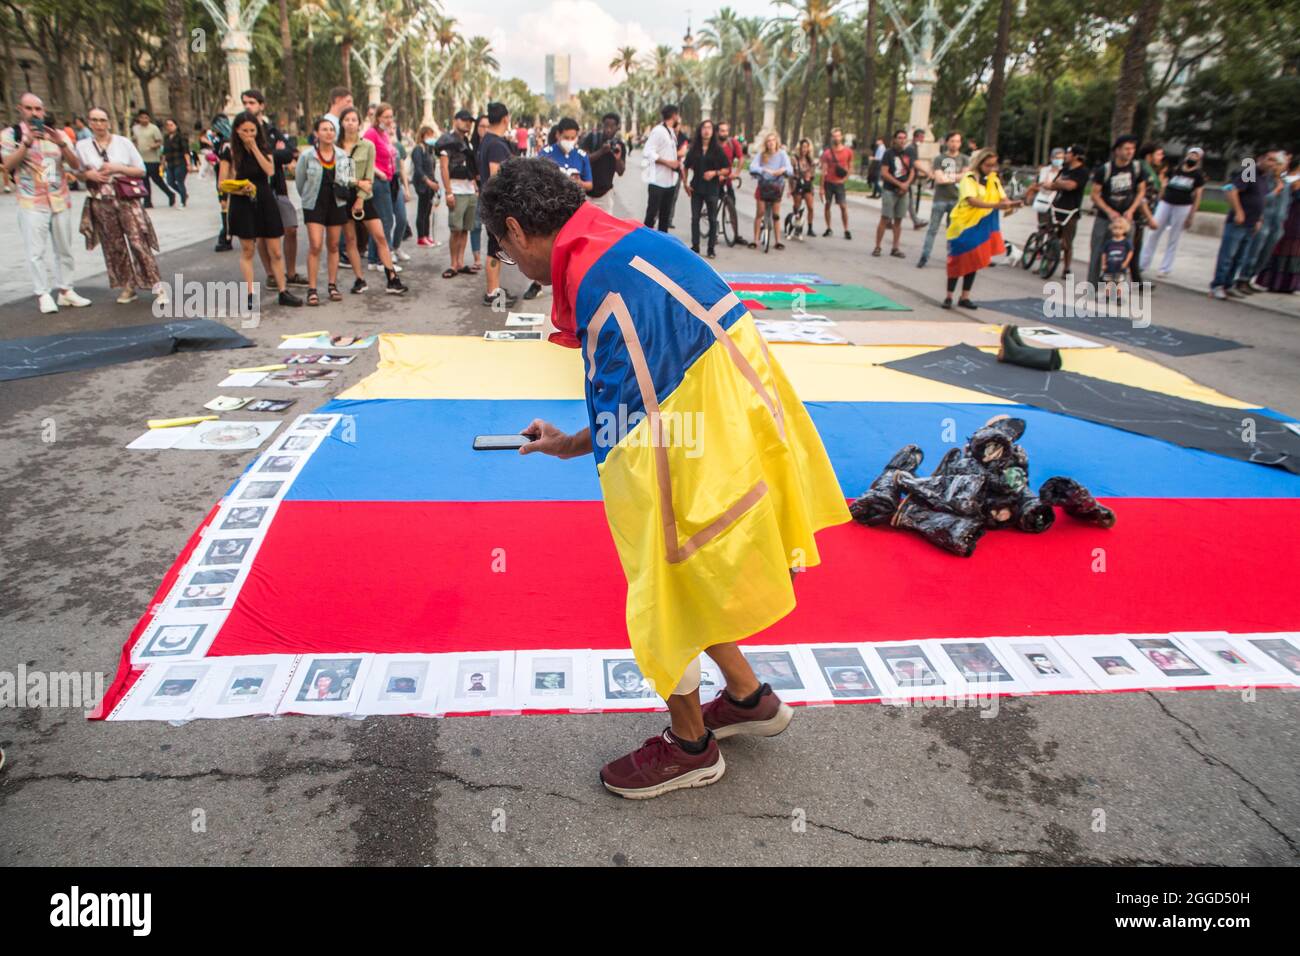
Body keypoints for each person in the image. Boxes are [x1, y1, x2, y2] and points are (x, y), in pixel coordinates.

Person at [479, 157, 849, 799]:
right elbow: (635, 401)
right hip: (742, 426)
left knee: (663, 578)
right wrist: (568, 443)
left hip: (695, 442)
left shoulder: (598, 284)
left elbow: (634, 430)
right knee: (689, 574)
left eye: (506, 253)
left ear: (515, 229)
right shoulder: (634, 242)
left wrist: (600, 469)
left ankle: (691, 746)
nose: (516, 266)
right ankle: (747, 697)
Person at [1, 92, 90, 314]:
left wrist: (62, 144)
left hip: (59, 198)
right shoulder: (11, 135)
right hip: (31, 201)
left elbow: (75, 165)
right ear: (20, 109)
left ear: (44, 111)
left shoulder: (57, 135)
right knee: (36, 251)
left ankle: (66, 290)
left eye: (38, 109)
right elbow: (8, 165)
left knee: (64, 248)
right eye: (29, 109)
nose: (34, 113)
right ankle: (42, 293)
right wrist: (26, 143)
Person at [73, 106, 164, 306]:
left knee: (138, 241)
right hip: (101, 200)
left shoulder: (123, 143)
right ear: (89, 122)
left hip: (126, 198)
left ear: (109, 122)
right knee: (114, 246)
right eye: (94, 120)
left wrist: (117, 168)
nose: (99, 124)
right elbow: (75, 170)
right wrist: (89, 175)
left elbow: (140, 170)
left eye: (102, 120)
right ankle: (128, 286)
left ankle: (157, 285)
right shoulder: (82, 146)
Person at [219, 111, 302, 307]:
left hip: (264, 198)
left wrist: (255, 147)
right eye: (245, 131)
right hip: (242, 201)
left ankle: (283, 290)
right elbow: (222, 183)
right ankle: (250, 294)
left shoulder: (264, 148)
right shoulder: (229, 151)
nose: (249, 134)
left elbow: (270, 171)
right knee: (248, 249)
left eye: (252, 130)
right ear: (237, 131)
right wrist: (240, 189)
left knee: (275, 249)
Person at [337, 105, 407, 295]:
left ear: (359, 123)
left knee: (380, 236)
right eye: (347, 120)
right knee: (350, 239)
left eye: (354, 120)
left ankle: (391, 277)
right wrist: (357, 183)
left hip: (364, 196)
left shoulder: (367, 145)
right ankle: (359, 279)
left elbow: (369, 175)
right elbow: (341, 178)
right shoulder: (337, 149)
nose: (350, 123)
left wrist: (360, 197)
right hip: (343, 197)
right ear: (342, 123)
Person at [240, 89, 305, 286]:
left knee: (291, 228)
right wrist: (272, 153)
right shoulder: (240, 132)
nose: (248, 106)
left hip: (277, 188)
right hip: (255, 191)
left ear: (261, 105)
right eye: (245, 102)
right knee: (262, 235)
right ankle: (271, 275)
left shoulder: (271, 130)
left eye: (252, 102)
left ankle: (291, 273)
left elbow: (289, 153)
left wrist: (268, 155)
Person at [943, 147, 1019, 309]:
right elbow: (971, 201)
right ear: (979, 163)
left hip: (982, 225)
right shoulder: (968, 178)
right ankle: (949, 296)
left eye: (994, 165)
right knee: (957, 259)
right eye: (988, 165)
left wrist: (1011, 204)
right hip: (963, 225)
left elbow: (1003, 199)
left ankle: (965, 297)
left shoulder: (993, 180)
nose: (991, 169)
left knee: (974, 260)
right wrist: (996, 205)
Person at [526, 117, 593, 298]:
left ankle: (571, 286)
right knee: (546, 249)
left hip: (574, 211)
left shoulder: (582, 156)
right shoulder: (545, 153)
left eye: (573, 137)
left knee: (573, 251)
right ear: (558, 135)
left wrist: (578, 182)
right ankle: (537, 283)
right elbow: (534, 180)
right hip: (549, 210)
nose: (570, 141)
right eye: (566, 137)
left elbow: (589, 185)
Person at [296, 116, 354, 305]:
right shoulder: (307, 156)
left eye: (331, 129)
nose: (329, 133)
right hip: (314, 203)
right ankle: (312, 289)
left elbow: (347, 179)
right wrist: (306, 197)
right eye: (324, 129)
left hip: (336, 203)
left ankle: (332, 284)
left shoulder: (342, 156)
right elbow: (300, 181)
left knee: (334, 244)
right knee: (315, 244)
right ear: (316, 133)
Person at [1210, 148, 1280, 300]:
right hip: (1239, 222)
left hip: (1251, 223)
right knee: (1228, 255)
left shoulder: (1264, 178)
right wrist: (1238, 211)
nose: (1272, 164)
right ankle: (1218, 285)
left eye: (1275, 162)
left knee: (1239, 258)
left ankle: (1229, 285)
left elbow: (1260, 200)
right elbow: (1231, 190)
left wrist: (1259, 219)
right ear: (1261, 159)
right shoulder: (1250, 172)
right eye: (1270, 160)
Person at [1087, 135, 1146, 284]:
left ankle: (1117, 287)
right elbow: (1094, 194)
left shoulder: (1137, 169)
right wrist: (1108, 211)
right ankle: (1092, 285)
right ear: (1117, 150)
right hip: (1105, 218)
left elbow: (1141, 191)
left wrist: (1132, 209)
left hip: (1126, 219)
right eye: (1126, 148)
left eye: (1132, 148)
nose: (1130, 152)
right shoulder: (1105, 170)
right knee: (1098, 251)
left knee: (1124, 252)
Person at [1022, 144, 1089, 275]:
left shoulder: (1082, 171)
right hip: (1055, 206)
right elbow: (1054, 184)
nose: (1065, 156)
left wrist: (1058, 184)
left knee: (1067, 242)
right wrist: (1056, 184)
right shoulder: (1065, 169)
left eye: (1068, 154)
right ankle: (1045, 265)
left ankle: (1066, 269)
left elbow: (1070, 186)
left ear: (1075, 156)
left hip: (1071, 210)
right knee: (1050, 236)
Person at [1139, 146, 1205, 277]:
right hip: (1166, 202)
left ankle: (1165, 268)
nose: (1192, 158)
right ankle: (1142, 264)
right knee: (1153, 232)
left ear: (1199, 159)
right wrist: (1160, 195)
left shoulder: (1198, 175)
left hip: (1183, 206)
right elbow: (1164, 182)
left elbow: (1198, 195)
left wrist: (1191, 215)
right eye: (1191, 154)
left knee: (1173, 237)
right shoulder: (1176, 169)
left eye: (1196, 156)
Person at [477, 101, 516, 306]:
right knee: (495, 248)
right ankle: (492, 293)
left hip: (489, 203)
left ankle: (495, 288)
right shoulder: (496, 144)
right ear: (505, 118)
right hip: (495, 205)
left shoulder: (487, 141)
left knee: (496, 248)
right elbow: (496, 177)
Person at [1241, 149, 1291, 294]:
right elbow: (1261, 199)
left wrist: (1284, 219)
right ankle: (1243, 278)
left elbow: (1287, 203)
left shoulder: (1286, 183)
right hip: (1264, 220)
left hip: (1278, 223)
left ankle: (1251, 277)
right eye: (1277, 164)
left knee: (1266, 254)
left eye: (1282, 165)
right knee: (1254, 251)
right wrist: (1275, 191)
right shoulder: (1265, 181)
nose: (1278, 167)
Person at [435, 109, 478, 279]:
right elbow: (444, 167)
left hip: (469, 190)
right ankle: (453, 264)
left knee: (466, 229)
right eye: (464, 120)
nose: (468, 123)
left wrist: (476, 186)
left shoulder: (467, 142)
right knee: (456, 229)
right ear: (456, 120)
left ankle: (460, 262)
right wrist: (448, 192)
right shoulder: (447, 141)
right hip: (456, 190)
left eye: (470, 121)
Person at [917, 131, 968, 269]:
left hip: (956, 199)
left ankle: (952, 258)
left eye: (957, 141)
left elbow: (966, 176)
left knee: (953, 231)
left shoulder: (964, 158)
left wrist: (948, 176)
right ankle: (924, 256)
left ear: (960, 143)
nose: (954, 144)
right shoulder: (940, 158)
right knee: (932, 229)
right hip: (940, 199)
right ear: (947, 142)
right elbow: (939, 179)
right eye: (952, 141)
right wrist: (957, 176)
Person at [362, 103, 402, 275]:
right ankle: (380, 259)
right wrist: (378, 173)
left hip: (389, 181)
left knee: (379, 221)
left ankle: (372, 258)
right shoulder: (371, 133)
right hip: (378, 181)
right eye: (385, 116)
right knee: (386, 220)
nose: (389, 120)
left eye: (391, 116)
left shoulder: (384, 134)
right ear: (377, 117)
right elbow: (364, 156)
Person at [1252, 154, 1300, 294]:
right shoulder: (1290, 179)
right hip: (1289, 218)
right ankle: (1274, 281)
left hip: (1292, 218)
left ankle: (1290, 284)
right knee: (1282, 246)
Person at [683, 119, 729, 258]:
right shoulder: (694, 149)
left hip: (712, 188)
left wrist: (714, 173)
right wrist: (685, 183)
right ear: (700, 130)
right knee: (695, 218)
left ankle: (710, 248)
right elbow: (685, 166)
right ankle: (695, 246)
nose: (706, 130)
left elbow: (726, 169)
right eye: (704, 128)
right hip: (696, 187)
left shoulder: (718, 150)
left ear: (713, 131)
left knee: (712, 218)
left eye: (709, 128)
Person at [748, 131, 792, 250]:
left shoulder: (782, 154)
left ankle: (777, 241)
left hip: (777, 187)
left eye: (773, 140)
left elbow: (790, 169)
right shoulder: (762, 155)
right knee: (760, 212)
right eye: (768, 141)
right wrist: (764, 170)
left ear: (776, 142)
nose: (771, 143)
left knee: (776, 215)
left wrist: (782, 170)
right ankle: (755, 240)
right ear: (766, 143)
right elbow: (752, 166)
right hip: (763, 185)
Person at [642, 104, 682, 232]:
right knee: (651, 217)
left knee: (664, 218)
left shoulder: (671, 132)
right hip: (657, 182)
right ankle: (645, 244)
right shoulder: (658, 130)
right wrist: (668, 163)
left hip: (669, 183)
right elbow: (648, 152)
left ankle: (662, 247)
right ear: (675, 116)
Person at [874, 128, 913, 257]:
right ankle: (878, 246)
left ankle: (895, 247)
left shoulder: (908, 153)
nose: (902, 140)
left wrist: (906, 185)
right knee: (885, 218)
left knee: (899, 220)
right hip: (890, 190)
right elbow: (884, 173)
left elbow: (912, 171)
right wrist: (899, 184)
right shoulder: (888, 154)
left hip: (903, 191)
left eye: (904, 138)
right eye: (899, 137)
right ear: (894, 139)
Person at [581, 112, 626, 214]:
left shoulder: (620, 145)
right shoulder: (591, 138)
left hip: (605, 195)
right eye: (606, 126)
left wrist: (617, 158)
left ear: (617, 127)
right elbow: (583, 160)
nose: (608, 129)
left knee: (604, 227)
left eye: (612, 126)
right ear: (602, 126)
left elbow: (621, 172)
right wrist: (601, 151)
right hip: (586, 194)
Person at [130, 109, 174, 209]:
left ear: (149, 118)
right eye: (141, 117)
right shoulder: (135, 128)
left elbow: (160, 141)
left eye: (146, 117)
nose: (144, 119)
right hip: (141, 158)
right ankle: (147, 201)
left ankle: (170, 194)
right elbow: (135, 140)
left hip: (153, 158)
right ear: (138, 118)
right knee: (144, 180)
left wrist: (154, 146)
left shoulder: (153, 128)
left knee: (156, 179)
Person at [820, 127, 854, 239]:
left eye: (838, 136)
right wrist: (821, 188)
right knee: (827, 205)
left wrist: (845, 179)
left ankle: (846, 229)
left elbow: (851, 167)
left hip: (840, 183)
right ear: (832, 138)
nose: (836, 138)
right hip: (829, 182)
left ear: (842, 137)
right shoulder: (827, 153)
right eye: (834, 136)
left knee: (843, 206)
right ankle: (828, 228)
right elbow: (823, 170)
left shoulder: (848, 151)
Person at [715, 121, 744, 244]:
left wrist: (736, 173)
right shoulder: (713, 144)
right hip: (714, 181)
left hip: (727, 180)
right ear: (717, 132)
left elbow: (741, 158)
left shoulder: (733, 144)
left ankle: (735, 234)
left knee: (732, 206)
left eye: (726, 131)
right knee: (713, 207)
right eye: (722, 131)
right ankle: (713, 234)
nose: (724, 133)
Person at [412, 124, 441, 247]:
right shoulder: (418, 149)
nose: (431, 137)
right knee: (422, 211)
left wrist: (435, 183)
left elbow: (432, 168)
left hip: (431, 185)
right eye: (429, 135)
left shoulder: (430, 150)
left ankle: (427, 235)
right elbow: (418, 169)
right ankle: (421, 236)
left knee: (428, 211)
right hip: (423, 185)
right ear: (423, 135)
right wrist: (428, 182)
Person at [1099, 217, 1134, 301]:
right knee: (1108, 282)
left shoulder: (1126, 242)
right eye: (1115, 228)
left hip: (1120, 266)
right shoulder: (1109, 242)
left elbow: (1130, 252)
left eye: (1120, 228)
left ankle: (1119, 297)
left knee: (1119, 283)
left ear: (1125, 230)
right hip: (1109, 266)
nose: (1117, 230)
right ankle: (1107, 296)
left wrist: (1126, 263)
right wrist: (1103, 264)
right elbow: (1104, 253)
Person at [789, 138, 817, 239]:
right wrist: (791, 188)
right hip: (797, 184)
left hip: (807, 185)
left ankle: (810, 228)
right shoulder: (794, 159)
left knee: (810, 207)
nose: (804, 149)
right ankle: (795, 226)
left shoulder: (810, 159)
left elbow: (813, 174)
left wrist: (810, 175)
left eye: (806, 147)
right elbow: (790, 175)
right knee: (797, 206)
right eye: (802, 147)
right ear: (799, 148)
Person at [161, 118, 190, 208]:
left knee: (180, 181)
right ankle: (184, 194)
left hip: (180, 162)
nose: (169, 127)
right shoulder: (166, 138)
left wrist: (188, 164)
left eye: (171, 125)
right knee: (170, 181)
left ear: (176, 126)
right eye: (168, 125)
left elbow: (186, 151)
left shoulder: (181, 137)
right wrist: (162, 163)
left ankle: (183, 201)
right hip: (170, 162)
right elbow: (164, 152)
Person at [905, 128, 928, 228]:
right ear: (916, 137)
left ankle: (916, 221)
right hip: (908, 179)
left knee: (909, 201)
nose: (923, 139)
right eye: (922, 137)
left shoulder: (913, 147)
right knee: (909, 201)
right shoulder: (911, 148)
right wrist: (927, 172)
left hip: (911, 178)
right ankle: (916, 221)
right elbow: (914, 163)